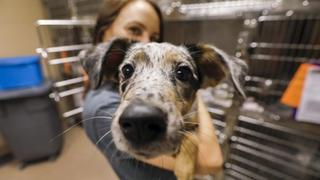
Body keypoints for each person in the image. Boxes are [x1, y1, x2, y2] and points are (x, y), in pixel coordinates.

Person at [82, 0, 223, 179]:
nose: (147, 42)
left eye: (155, 37)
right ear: (104, 31)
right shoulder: (99, 107)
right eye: (135, 30)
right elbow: (212, 161)